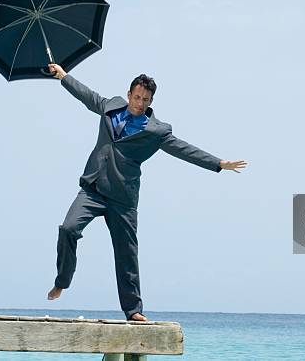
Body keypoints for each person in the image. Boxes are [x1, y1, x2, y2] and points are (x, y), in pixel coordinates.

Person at [45, 63, 247, 321]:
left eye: (146, 100)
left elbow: (183, 149)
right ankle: (62, 281)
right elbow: (87, 95)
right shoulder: (110, 107)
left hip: (123, 199)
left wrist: (218, 163)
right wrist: (63, 76)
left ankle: (134, 311)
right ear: (129, 94)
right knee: (68, 229)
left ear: (152, 101)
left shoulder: (156, 131)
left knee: (127, 254)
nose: (140, 103)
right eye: (137, 97)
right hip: (93, 188)